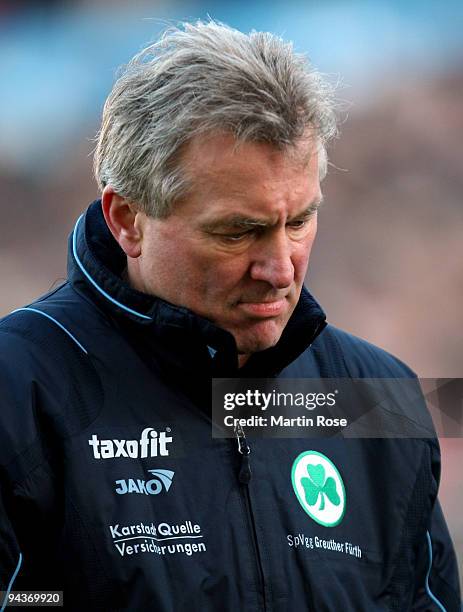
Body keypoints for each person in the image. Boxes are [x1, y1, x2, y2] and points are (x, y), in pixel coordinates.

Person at [0, 20, 460, 611]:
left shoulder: (380, 398)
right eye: (238, 232)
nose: (280, 267)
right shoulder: (19, 389)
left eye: (297, 223)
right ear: (127, 219)